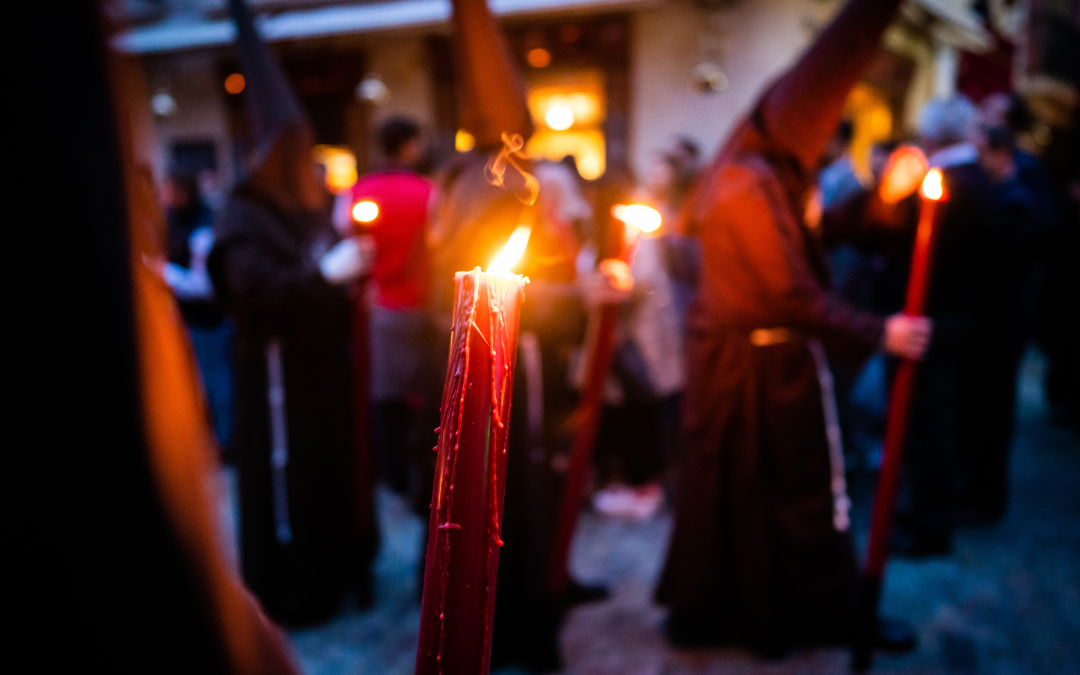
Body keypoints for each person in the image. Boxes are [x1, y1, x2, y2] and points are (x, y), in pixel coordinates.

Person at [655, 0, 929, 656]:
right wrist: (876, 331)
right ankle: (755, 612)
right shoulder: (745, 184)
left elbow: (821, 234)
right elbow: (786, 287)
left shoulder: (773, 175)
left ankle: (787, 609)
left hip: (769, 369)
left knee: (781, 496)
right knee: (761, 497)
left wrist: (885, 198)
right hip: (747, 373)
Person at [208, 0, 375, 627]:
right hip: (277, 379)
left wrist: (346, 269)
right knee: (290, 485)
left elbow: (321, 266)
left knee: (327, 475)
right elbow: (254, 291)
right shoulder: (242, 214)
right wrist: (322, 275)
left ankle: (334, 569)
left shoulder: (303, 208)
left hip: (320, 372)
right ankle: (293, 586)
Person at [335, 117, 434, 497]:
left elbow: (347, 246)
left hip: (377, 306)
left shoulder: (358, 192)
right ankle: (417, 472)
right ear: (409, 146)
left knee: (384, 395)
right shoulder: (427, 191)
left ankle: (392, 474)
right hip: (420, 304)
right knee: (418, 395)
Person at [163, 172, 235, 453]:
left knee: (216, 381)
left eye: (168, 192)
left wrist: (164, 272)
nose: (164, 199)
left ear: (184, 192)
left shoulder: (202, 228)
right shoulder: (176, 222)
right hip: (188, 317)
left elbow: (204, 285)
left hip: (209, 320)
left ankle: (224, 441)